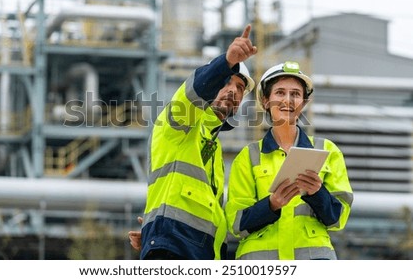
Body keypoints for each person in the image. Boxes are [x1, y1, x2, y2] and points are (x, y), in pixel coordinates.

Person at [134, 24, 257, 260]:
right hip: (174, 250)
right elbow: (192, 94)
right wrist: (227, 61)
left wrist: (153, 228)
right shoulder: (179, 125)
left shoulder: (215, 147)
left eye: (240, 87)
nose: (232, 91)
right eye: (226, 82)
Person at [225, 61, 354, 260]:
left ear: (303, 102)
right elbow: (236, 223)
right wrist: (272, 205)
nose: (288, 100)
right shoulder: (248, 157)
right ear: (265, 101)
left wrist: (317, 193)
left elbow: (338, 219)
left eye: (295, 94)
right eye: (280, 93)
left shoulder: (327, 150)